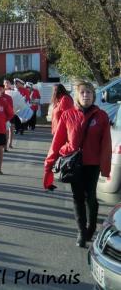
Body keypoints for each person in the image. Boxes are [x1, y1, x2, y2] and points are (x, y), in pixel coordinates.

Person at [43, 81, 112, 247]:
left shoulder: (101, 116)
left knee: (91, 197)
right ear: (77, 96)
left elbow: (106, 144)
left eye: (89, 93)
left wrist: (105, 168)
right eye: (82, 93)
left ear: (93, 96)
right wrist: (48, 166)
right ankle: (81, 232)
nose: (86, 95)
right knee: (77, 197)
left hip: (92, 163)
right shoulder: (67, 115)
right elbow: (57, 141)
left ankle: (91, 227)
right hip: (74, 163)